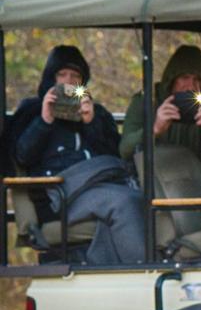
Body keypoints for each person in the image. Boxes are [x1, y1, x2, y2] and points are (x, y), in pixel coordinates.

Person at [3, 45, 145, 264]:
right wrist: (45, 120)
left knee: (142, 199)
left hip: (99, 184)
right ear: (51, 78)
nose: (69, 81)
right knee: (124, 202)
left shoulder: (97, 114)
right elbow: (21, 157)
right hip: (58, 196)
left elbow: (117, 156)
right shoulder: (32, 111)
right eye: (62, 75)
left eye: (75, 76)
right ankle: (144, 273)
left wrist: (91, 122)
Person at [120, 45, 201, 164]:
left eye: (198, 79)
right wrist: (154, 130)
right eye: (185, 78)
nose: (191, 86)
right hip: (154, 174)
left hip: (194, 175)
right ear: (172, 78)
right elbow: (125, 150)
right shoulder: (147, 100)